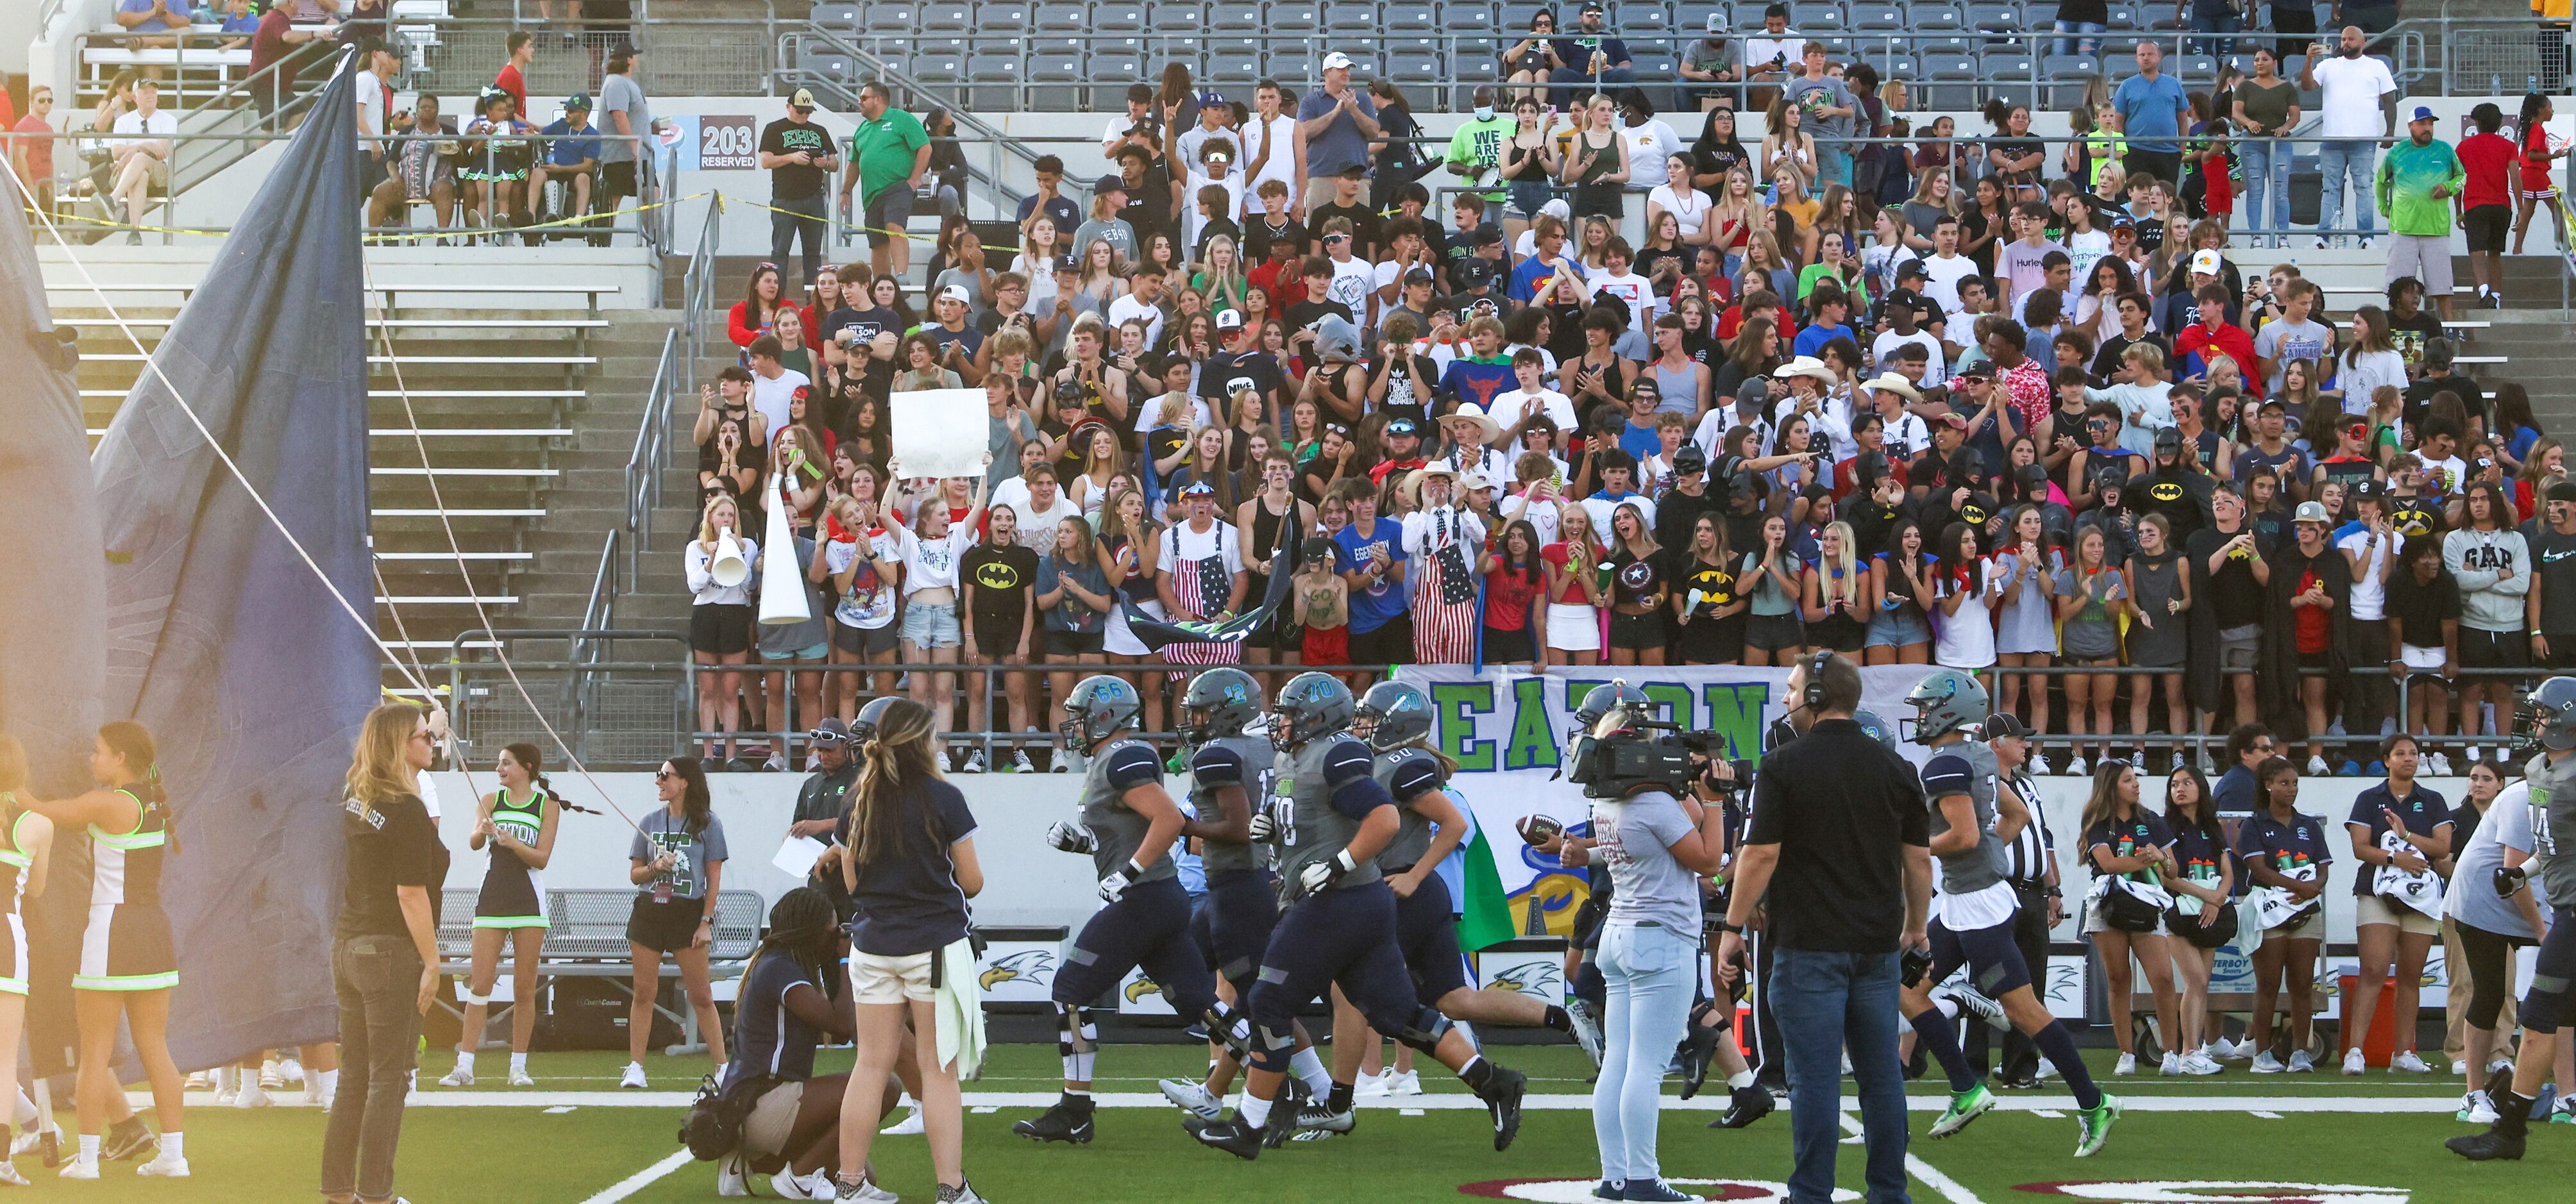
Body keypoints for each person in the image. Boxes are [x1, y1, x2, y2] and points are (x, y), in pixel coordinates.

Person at [1189, 673, 1527, 1160]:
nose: (1279, 721)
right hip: (1350, 903)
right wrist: (1271, 828)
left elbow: (1384, 819)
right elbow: (1311, 819)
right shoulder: (1292, 756)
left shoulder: (1336, 753)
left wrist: (1338, 863)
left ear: (1316, 717)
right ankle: (1493, 1081)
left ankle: (1248, 1124)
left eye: (1289, 713)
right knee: (1395, 1013)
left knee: (1267, 999)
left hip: (1340, 901)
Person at [1715, 653, 1930, 1204]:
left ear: (1814, 696)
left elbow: (1759, 855)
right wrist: (1917, 928)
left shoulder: (1784, 765)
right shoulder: (1896, 768)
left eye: (1791, 690)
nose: (1785, 699)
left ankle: (1810, 1193)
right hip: (1876, 946)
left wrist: (1733, 926)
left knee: (1814, 1080)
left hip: (1809, 944)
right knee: (1880, 1077)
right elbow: (1918, 862)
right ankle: (1889, 1191)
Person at [1895, 671, 2121, 1151]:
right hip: (1968, 897)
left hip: (1977, 902)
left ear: (1948, 712)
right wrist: (1987, 850)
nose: (1919, 717)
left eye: (1925, 708)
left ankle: (2093, 1101)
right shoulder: (1976, 754)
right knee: (1906, 988)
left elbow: (1964, 836)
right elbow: (2014, 817)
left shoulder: (1944, 766)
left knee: (2023, 1010)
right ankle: (1965, 1085)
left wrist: (1912, 848)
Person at [1018, 676, 1220, 1146]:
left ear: (1103, 716)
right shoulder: (1110, 758)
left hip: (1145, 898)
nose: (1071, 724)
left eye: (1078, 715)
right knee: (1201, 1005)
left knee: (1069, 991)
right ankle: (1286, 1084)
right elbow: (1125, 833)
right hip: (1159, 896)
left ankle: (1074, 1110)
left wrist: (1128, 873)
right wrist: (1082, 844)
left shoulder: (1123, 755)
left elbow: (1170, 819)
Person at [1551, 687, 1730, 1200]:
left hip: (1620, 936)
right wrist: (1715, 800)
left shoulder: (1612, 799)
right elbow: (1707, 859)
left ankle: (1614, 1176)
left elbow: (1684, 820)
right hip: (1660, 940)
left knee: (1619, 1063)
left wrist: (1688, 787)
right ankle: (1643, 1181)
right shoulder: (1652, 804)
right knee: (1646, 1069)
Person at [821, 696, 986, 1201]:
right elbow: (973, 882)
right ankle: (951, 1189)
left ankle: (848, 1185)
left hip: (872, 944)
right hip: (931, 943)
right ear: (921, 742)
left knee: (870, 1065)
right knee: (938, 1071)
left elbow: (851, 882)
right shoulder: (943, 796)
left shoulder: (855, 798)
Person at [24, 721, 185, 1178]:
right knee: (155, 1046)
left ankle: (90, 1162)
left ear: (120, 758)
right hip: (154, 933)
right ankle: (174, 1158)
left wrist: (12, 782)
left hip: (112, 933)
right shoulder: (153, 801)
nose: (91, 760)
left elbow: (42, 811)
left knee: (93, 1051)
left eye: (97, 752)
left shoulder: (107, 803)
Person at [316, 703, 443, 1203]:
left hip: (348, 944)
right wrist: (432, 962)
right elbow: (410, 893)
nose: (430, 742)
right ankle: (377, 1194)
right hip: (388, 950)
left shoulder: (357, 796)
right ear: (398, 745)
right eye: (421, 737)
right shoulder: (406, 809)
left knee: (354, 1078)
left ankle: (339, 1191)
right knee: (388, 1080)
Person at [2449, 676, 2576, 1157]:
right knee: (2550, 1014)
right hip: (2566, 907)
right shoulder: (2539, 772)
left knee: (2541, 1013)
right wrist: (2519, 871)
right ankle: (2511, 1130)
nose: (2532, 722)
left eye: (2541, 714)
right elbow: (2549, 844)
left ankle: (2509, 1132)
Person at [709, 887, 859, 1200]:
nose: (836, 937)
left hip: (752, 1103)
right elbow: (843, 1027)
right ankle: (798, 1176)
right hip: (764, 1101)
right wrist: (845, 956)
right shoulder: (781, 969)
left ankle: (746, 1159)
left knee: (861, 1171)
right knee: (883, 1087)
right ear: (812, 934)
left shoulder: (779, 962)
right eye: (832, 932)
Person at [437, 743, 561, 1089]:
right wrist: (485, 831)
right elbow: (474, 842)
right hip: (492, 897)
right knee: (480, 983)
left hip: (528, 901)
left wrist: (513, 843)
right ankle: (465, 1067)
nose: (499, 768)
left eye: (506, 763)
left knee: (524, 988)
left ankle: (518, 1067)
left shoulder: (546, 805)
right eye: (499, 763)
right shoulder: (491, 800)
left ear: (527, 768)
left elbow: (542, 858)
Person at [2442, 763, 2551, 1123]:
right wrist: (2540, 929)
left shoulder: (2560, 795)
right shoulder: (2524, 798)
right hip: (2484, 900)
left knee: (2561, 997)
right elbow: (2511, 876)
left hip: (2526, 897)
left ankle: (2567, 1095)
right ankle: (2473, 1095)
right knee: (2488, 992)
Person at [2340, 733, 2451, 1076]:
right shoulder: (2368, 797)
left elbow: (2443, 847)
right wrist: (2395, 858)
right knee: (2373, 970)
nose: (2409, 759)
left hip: (2420, 895)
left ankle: (2404, 1051)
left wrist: (2406, 838)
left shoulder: (2432, 799)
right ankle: (2355, 1051)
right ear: (2386, 760)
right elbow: (2361, 848)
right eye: (2400, 753)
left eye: (2414, 753)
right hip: (2377, 892)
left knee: (2411, 975)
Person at [618, 756, 728, 1090]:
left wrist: (705, 922)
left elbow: (713, 878)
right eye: (659, 775)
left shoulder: (708, 824)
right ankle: (636, 1066)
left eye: (665, 776)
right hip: (650, 911)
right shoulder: (649, 821)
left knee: (702, 995)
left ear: (685, 782)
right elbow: (635, 875)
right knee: (643, 992)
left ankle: (723, 1067)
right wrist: (655, 868)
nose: (659, 782)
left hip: (688, 913)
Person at [2079, 758, 2181, 1076]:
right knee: (2118, 978)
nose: (2136, 784)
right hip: (2108, 903)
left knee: (2163, 978)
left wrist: (2161, 857)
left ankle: (2171, 1053)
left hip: (2147, 903)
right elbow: (2108, 864)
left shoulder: (2151, 820)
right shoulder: (2097, 821)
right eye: (2127, 780)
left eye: (2135, 778)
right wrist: (2148, 860)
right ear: (2111, 786)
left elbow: (2174, 870)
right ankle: (2126, 1053)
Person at [2239, 755, 2332, 1073]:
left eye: (2294, 783)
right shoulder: (2253, 824)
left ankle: (2300, 1053)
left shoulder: (2308, 825)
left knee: (2303, 984)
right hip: (2270, 910)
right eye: (2284, 783)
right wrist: (2298, 886)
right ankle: (2261, 1054)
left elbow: (2323, 868)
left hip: (2306, 910)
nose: (2291, 789)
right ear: (2268, 786)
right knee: (2268, 984)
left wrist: (2314, 887)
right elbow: (2257, 868)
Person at [0, 738, 55, 1187]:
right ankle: (3, 1160)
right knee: (5, 1059)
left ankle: (32, 1124)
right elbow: (35, 889)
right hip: (7, 940)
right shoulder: (39, 823)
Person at [2301, 27, 2398, 249]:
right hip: (2332, 140)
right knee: (2330, 188)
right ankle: (2322, 237)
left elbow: (2390, 101)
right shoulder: (2328, 65)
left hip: (2363, 141)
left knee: (2364, 188)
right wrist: (2309, 61)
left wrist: (2390, 131)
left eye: (2351, 39)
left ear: (2363, 41)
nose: (2346, 42)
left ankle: (2366, 238)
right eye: (2343, 39)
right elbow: (2307, 87)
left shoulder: (2377, 66)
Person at [2376, 105, 2466, 323]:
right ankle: (2392, 331)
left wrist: (2448, 187)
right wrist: (2384, 209)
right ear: (2411, 126)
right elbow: (2380, 183)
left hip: (2436, 229)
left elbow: (2462, 177)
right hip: (2403, 230)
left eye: (2430, 124)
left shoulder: (2445, 150)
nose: (2427, 128)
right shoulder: (2396, 153)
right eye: (2423, 124)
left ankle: (2449, 329)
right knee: (2397, 289)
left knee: (2442, 286)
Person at [840, 82, 930, 283]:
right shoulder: (862, 130)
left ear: (878, 99)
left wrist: (914, 180)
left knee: (894, 225)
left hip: (898, 186)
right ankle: (881, 284)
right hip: (872, 194)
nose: (859, 102)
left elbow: (925, 147)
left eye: (864, 98)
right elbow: (854, 163)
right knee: (878, 243)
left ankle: (900, 277)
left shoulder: (901, 119)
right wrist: (845, 191)